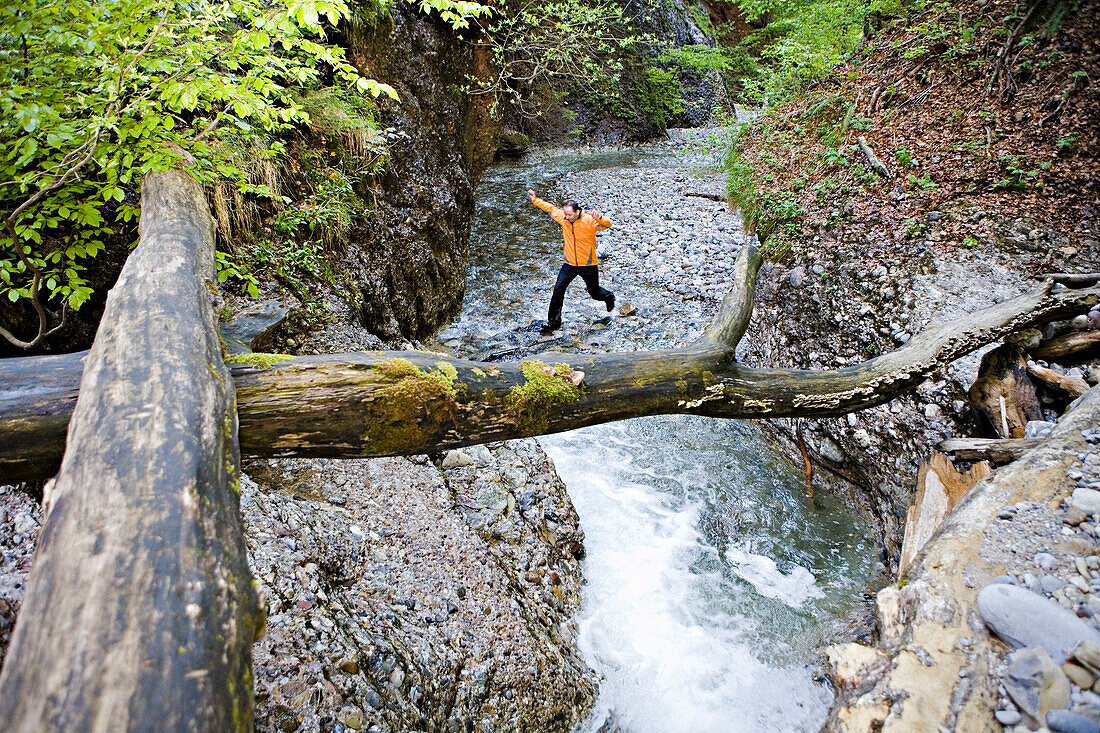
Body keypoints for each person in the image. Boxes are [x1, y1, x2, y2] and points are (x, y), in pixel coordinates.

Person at [527, 189, 615, 334]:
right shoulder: (564, 218)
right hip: (569, 264)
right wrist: (535, 200)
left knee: (594, 293)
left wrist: (600, 217)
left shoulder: (589, 220)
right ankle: (553, 323)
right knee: (558, 290)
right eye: (565, 214)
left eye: (569, 214)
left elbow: (608, 224)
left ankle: (608, 297)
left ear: (577, 212)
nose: (566, 217)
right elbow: (550, 208)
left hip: (588, 264)